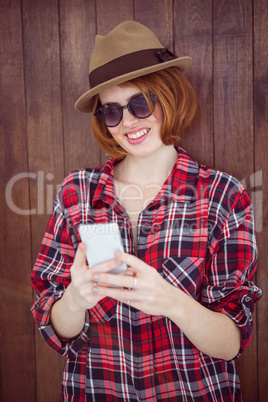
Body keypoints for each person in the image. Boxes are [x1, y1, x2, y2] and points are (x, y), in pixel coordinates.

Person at [31, 21, 262, 401]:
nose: (128, 122)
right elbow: (56, 325)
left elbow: (231, 342)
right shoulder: (78, 193)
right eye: (111, 112)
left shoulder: (223, 195)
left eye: (140, 102)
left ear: (168, 97)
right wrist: (76, 298)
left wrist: (169, 300)